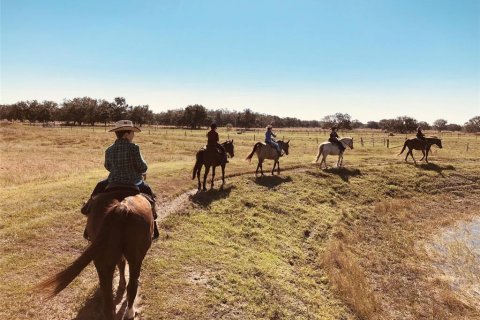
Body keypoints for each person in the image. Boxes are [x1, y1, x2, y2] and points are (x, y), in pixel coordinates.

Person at [81, 120, 159, 240]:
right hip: (134, 182)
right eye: (132, 132)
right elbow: (143, 167)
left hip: (113, 182)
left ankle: (88, 211)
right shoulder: (134, 148)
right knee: (149, 194)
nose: (133, 135)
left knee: (98, 188)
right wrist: (138, 171)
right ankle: (154, 221)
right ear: (126, 134)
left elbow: (107, 166)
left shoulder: (109, 149)